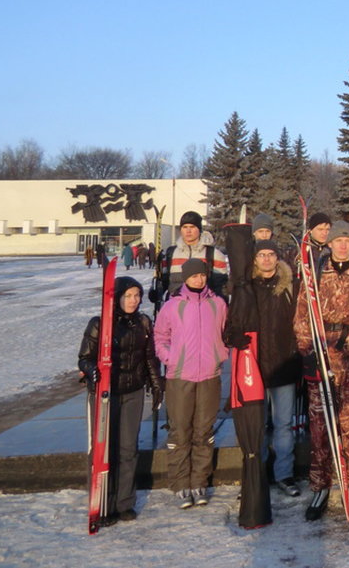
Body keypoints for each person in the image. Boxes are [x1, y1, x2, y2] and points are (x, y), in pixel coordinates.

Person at [295, 221, 349, 520]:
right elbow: (302, 315)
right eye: (338, 240)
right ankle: (321, 486)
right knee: (320, 425)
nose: (343, 245)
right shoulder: (316, 274)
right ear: (329, 243)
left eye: (347, 240)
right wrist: (307, 353)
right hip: (324, 355)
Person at [78, 276, 163, 524]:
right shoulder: (99, 324)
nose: (134, 300)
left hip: (133, 393)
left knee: (128, 448)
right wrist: (91, 369)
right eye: (128, 295)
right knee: (104, 449)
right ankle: (103, 500)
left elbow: (150, 358)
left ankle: (124, 502)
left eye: (137, 295)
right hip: (106, 395)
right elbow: (84, 357)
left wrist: (157, 385)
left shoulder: (143, 323)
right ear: (116, 297)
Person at [224, 240, 302, 497]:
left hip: (283, 364)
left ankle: (284, 474)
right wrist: (234, 337)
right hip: (253, 366)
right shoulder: (246, 287)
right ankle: (256, 474)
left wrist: (298, 351)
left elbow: (301, 323)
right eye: (262, 255)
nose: (267, 259)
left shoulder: (290, 285)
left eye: (271, 255)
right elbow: (231, 323)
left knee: (283, 424)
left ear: (277, 258)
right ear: (255, 259)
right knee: (256, 424)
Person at [154, 259, 228, 509]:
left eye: (202, 275)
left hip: (209, 376)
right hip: (180, 377)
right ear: (185, 278)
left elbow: (226, 334)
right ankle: (180, 483)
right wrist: (169, 358)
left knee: (203, 432)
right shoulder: (173, 306)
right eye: (194, 276)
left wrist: (221, 354)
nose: (199, 279)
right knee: (180, 430)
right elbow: (160, 336)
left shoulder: (217, 304)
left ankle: (199, 481)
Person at [157, 211, 228, 300]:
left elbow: (221, 288)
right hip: (175, 307)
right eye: (185, 227)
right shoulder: (170, 253)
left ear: (199, 229)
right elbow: (165, 282)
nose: (188, 231)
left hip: (203, 307)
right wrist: (157, 292)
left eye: (192, 227)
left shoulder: (214, 254)